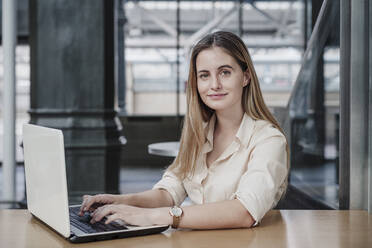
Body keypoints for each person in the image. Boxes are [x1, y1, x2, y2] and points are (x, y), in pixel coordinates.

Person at [79, 31, 289, 229]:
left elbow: (245, 212)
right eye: (204, 75)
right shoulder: (198, 134)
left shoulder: (269, 140)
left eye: (225, 72)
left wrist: (152, 216)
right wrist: (120, 201)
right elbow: (168, 194)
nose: (214, 84)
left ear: (245, 77)